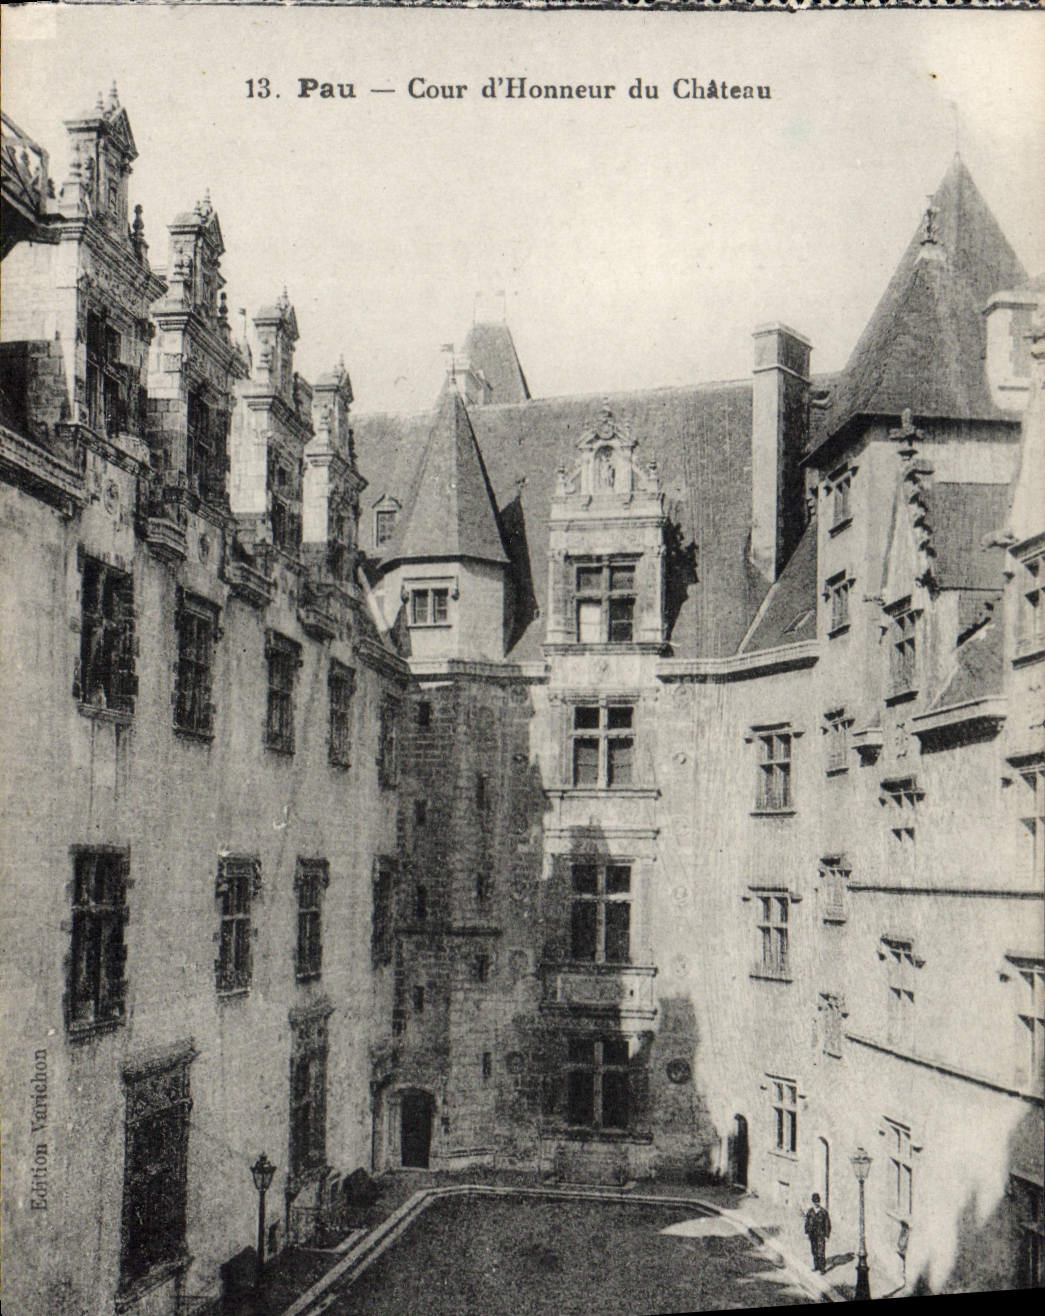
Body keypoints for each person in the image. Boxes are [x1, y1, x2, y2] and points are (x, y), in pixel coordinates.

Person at [804, 1193, 831, 1273]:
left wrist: (827, 1235)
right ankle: (816, 1266)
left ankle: (822, 1268)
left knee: (821, 1251)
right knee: (814, 1250)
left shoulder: (823, 1212)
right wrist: (806, 1232)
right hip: (812, 1234)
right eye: (814, 1202)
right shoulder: (810, 1211)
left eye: (817, 1201)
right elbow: (807, 1223)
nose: (816, 1203)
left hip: (821, 1234)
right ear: (812, 1202)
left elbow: (827, 1224)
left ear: (819, 1202)